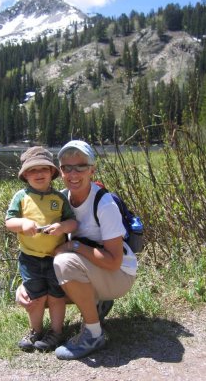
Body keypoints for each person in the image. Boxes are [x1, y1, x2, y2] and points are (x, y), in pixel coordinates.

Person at [16, 140, 137, 360]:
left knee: (64, 263)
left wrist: (74, 245)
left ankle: (93, 334)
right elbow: (46, 250)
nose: (73, 173)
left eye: (80, 166)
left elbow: (113, 262)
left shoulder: (104, 203)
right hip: (93, 270)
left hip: (118, 275)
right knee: (33, 291)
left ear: (92, 169)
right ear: (60, 171)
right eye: (66, 167)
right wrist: (24, 285)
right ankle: (97, 303)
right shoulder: (61, 199)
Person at [5, 146, 77, 352]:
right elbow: (9, 222)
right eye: (32, 170)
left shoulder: (59, 198)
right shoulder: (21, 196)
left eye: (43, 169)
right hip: (30, 259)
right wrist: (22, 224)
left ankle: (56, 332)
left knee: (56, 296)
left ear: (52, 173)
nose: (38, 174)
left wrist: (62, 227)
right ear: (25, 174)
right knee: (35, 297)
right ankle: (36, 330)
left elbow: (73, 223)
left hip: (56, 258)